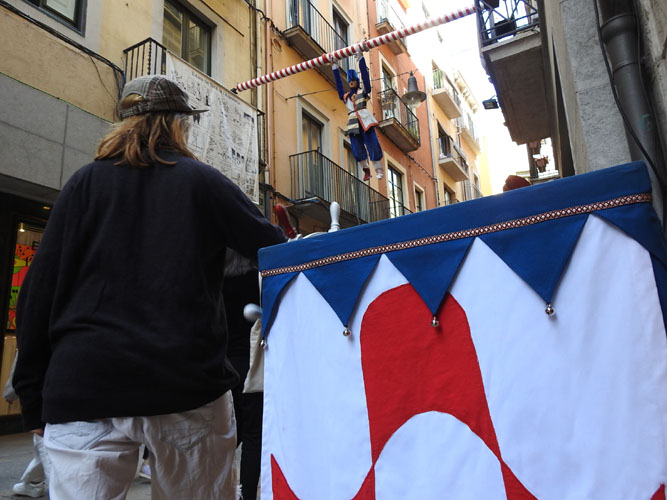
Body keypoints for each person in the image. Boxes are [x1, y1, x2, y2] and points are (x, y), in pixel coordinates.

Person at [12, 74, 286, 500]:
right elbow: (276, 250)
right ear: (179, 124)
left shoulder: (82, 185)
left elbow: (37, 293)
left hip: (84, 385)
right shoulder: (203, 182)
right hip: (185, 384)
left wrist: (32, 397)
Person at [223, 250, 262, 500]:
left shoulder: (215, 281)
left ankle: (219, 486)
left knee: (227, 435)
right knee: (253, 437)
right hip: (252, 365)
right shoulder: (257, 281)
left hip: (224, 368)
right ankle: (246, 494)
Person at [332, 50, 384, 182]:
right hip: (353, 125)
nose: (351, 83)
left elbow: (366, 79)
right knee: (356, 148)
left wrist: (360, 59)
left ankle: (378, 169)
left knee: (372, 144)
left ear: (356, 81)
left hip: (365, 121)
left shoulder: (363, 91)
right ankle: (366, 169)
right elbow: (339, 84)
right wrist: (335, 67)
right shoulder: (345, 96)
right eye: (349, 81)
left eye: (353, 80)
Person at [3, 353, 50, 498]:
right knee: (45, 445)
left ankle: (35, 484)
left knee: (46, 445)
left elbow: (25, 358)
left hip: (50, 396)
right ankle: (33, 483)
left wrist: (11, 392)